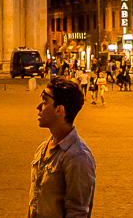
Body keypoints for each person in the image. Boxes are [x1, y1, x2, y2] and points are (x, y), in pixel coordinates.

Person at [30, 78, 95, 218]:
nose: (38, 107)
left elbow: (78, 212)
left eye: (45, 102)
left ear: (60, 109)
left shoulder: (78, 157)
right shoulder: (43, 148)